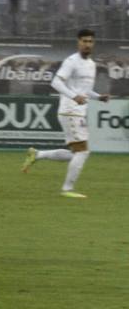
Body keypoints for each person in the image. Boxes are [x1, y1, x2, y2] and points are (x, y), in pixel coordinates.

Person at [22, 28, 113, 198]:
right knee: (83, 152)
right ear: (78, 42)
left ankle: (37, 154)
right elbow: (55, 82)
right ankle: (67, 189)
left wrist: (99, 97)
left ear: (93, 43)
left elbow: (85, 90)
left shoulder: (91, 64)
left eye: (90, 41)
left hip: (79, 112)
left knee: (75, 153)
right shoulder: (71, 61)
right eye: (84, 41)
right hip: (70, 111)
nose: (87, 44)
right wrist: (74, 96)